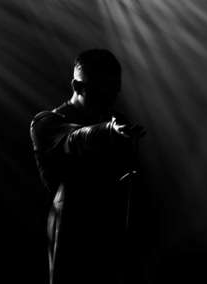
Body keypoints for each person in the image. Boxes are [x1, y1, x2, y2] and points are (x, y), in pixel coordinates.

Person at [30, 49, 144, 284]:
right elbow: (75, 137)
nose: (110, 100)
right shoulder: (46, 123)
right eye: (101, 93)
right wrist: (108, 130)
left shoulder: (114, 122)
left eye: (114, 92)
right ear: (77, 86)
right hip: (72, 238)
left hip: (112, 237)